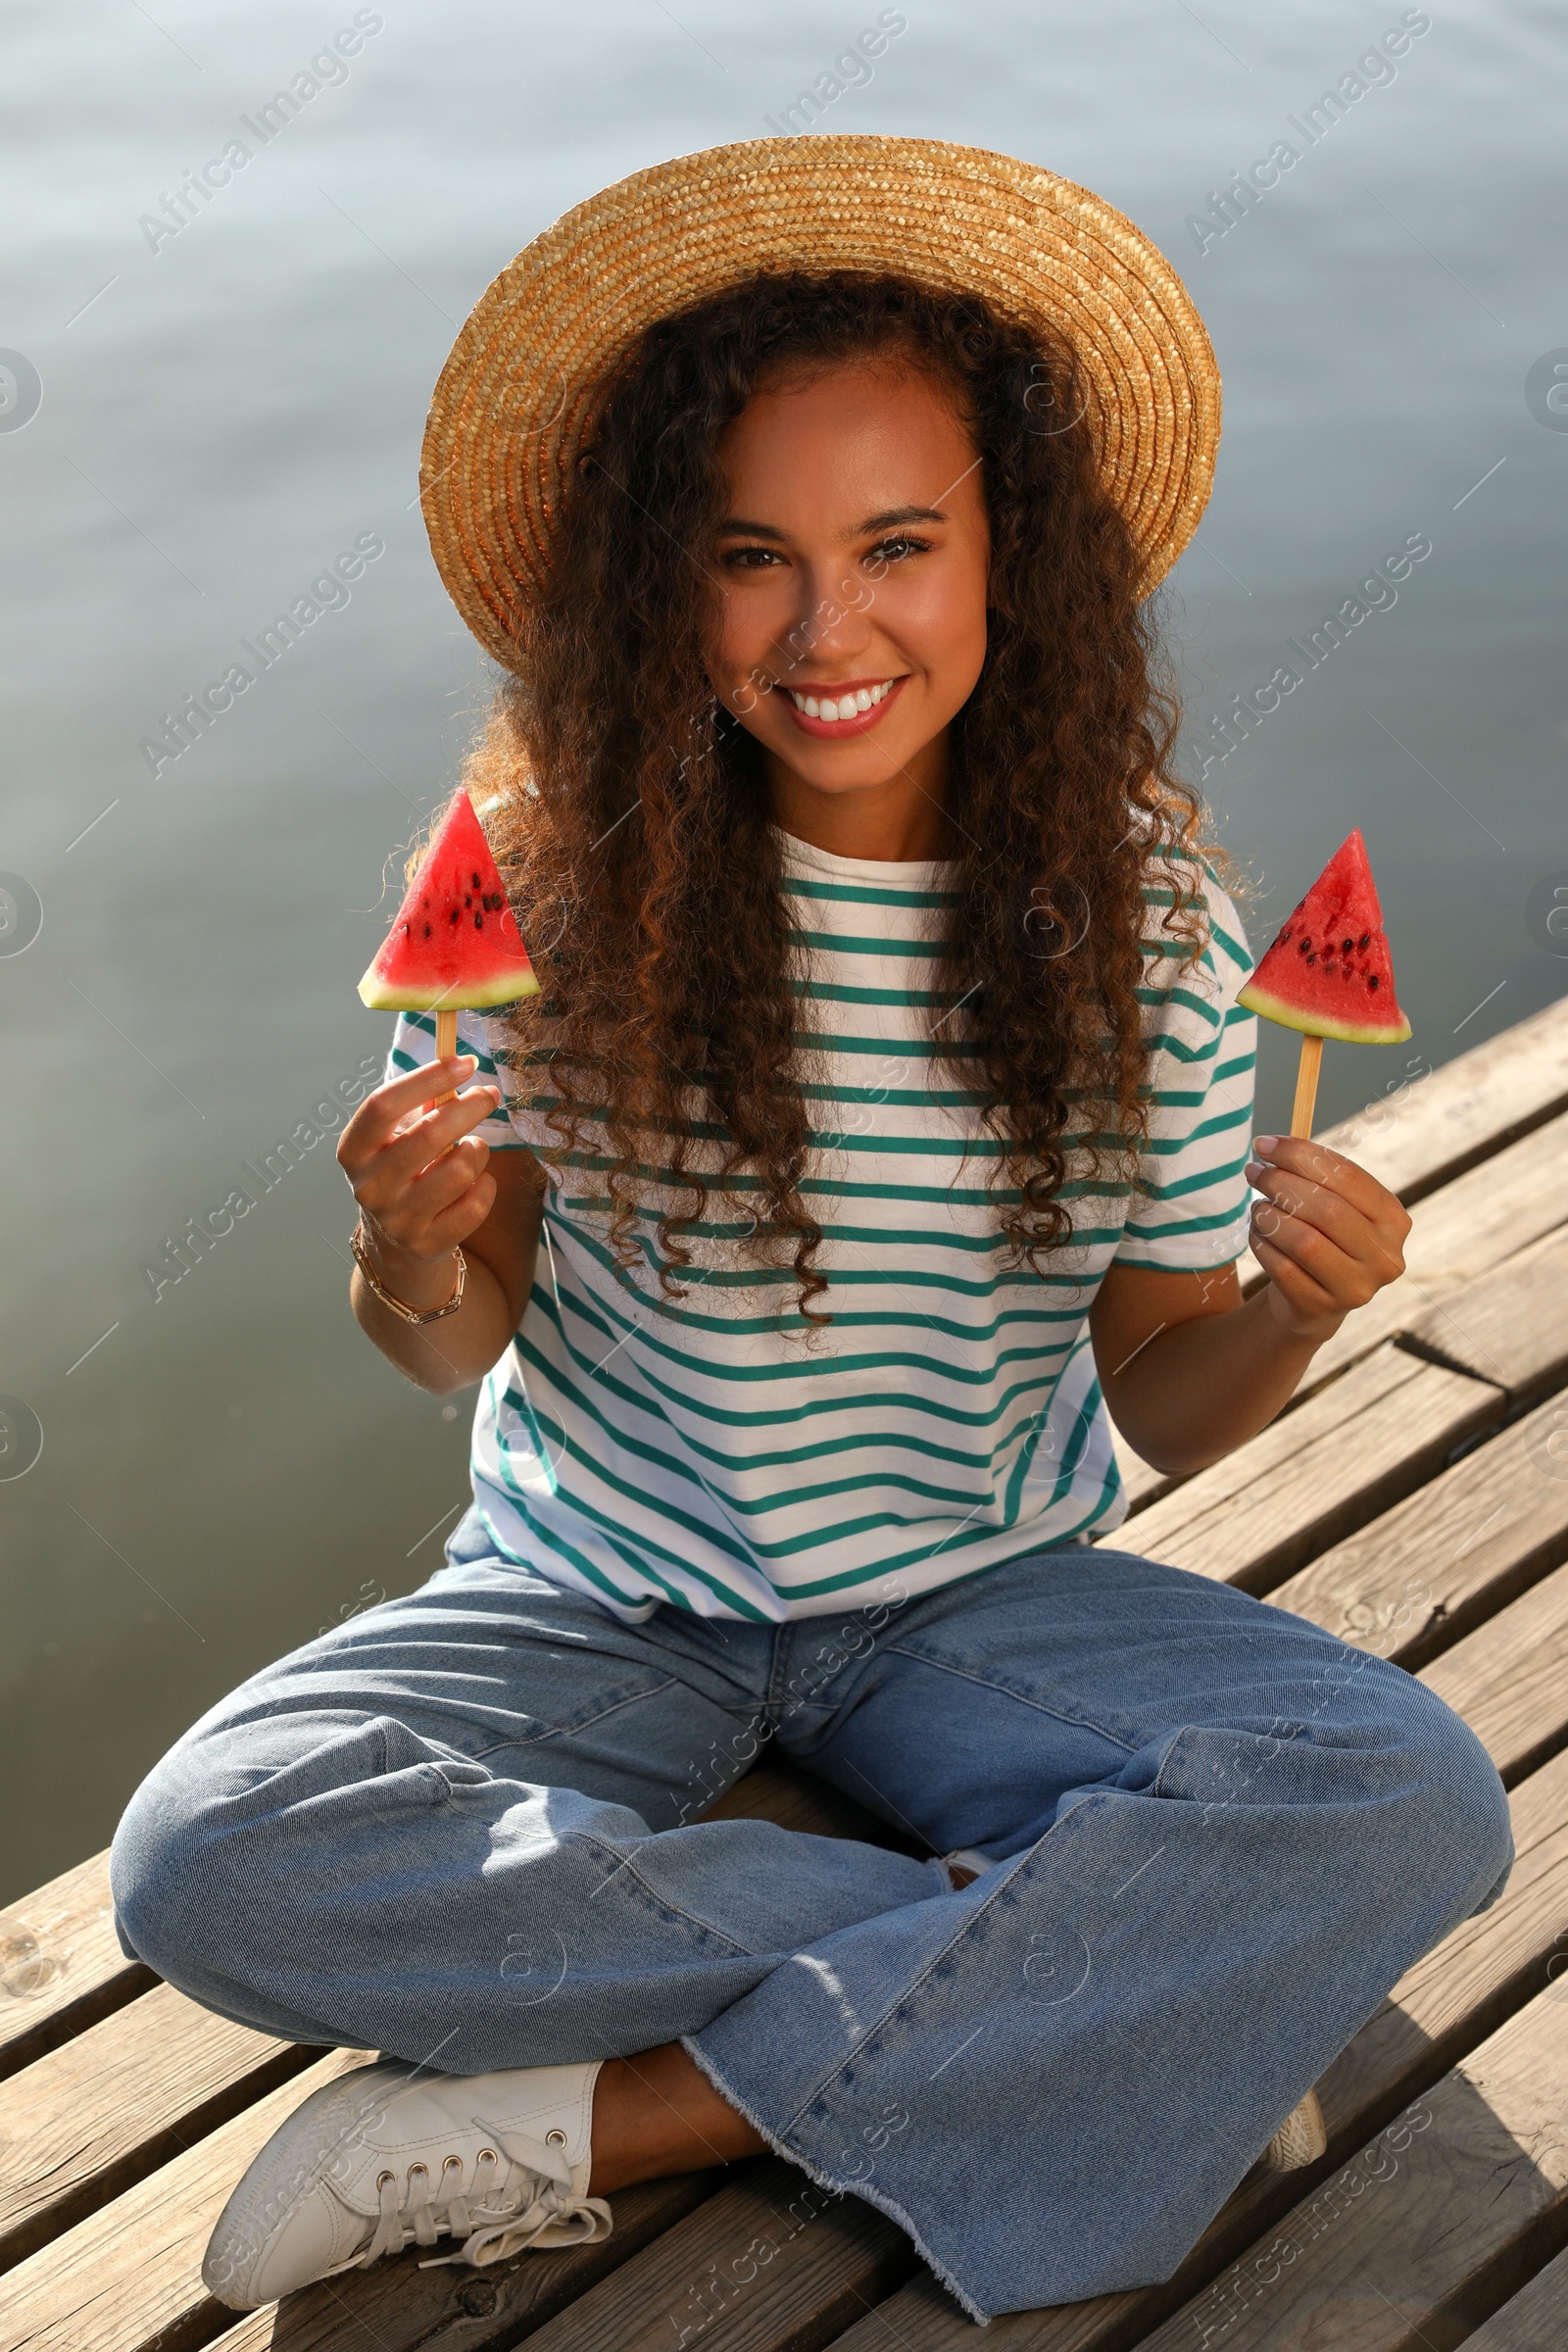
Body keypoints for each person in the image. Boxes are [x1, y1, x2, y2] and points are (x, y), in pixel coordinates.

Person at [109, 137, 1512, 2323]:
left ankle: (615, 2115)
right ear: (655, 582)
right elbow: (449, 1343)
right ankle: (1059, 1958)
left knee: (1409, 1797)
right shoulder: (542, 898)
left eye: (895, 546)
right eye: (746, 555)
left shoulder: (1139, 924)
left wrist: (1293, 1314)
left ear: (1004, 563)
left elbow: (1165, 1401)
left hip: (963, 1592)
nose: (823, 625)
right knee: (205, 1854)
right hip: (594, 1591)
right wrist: (407, 1245)